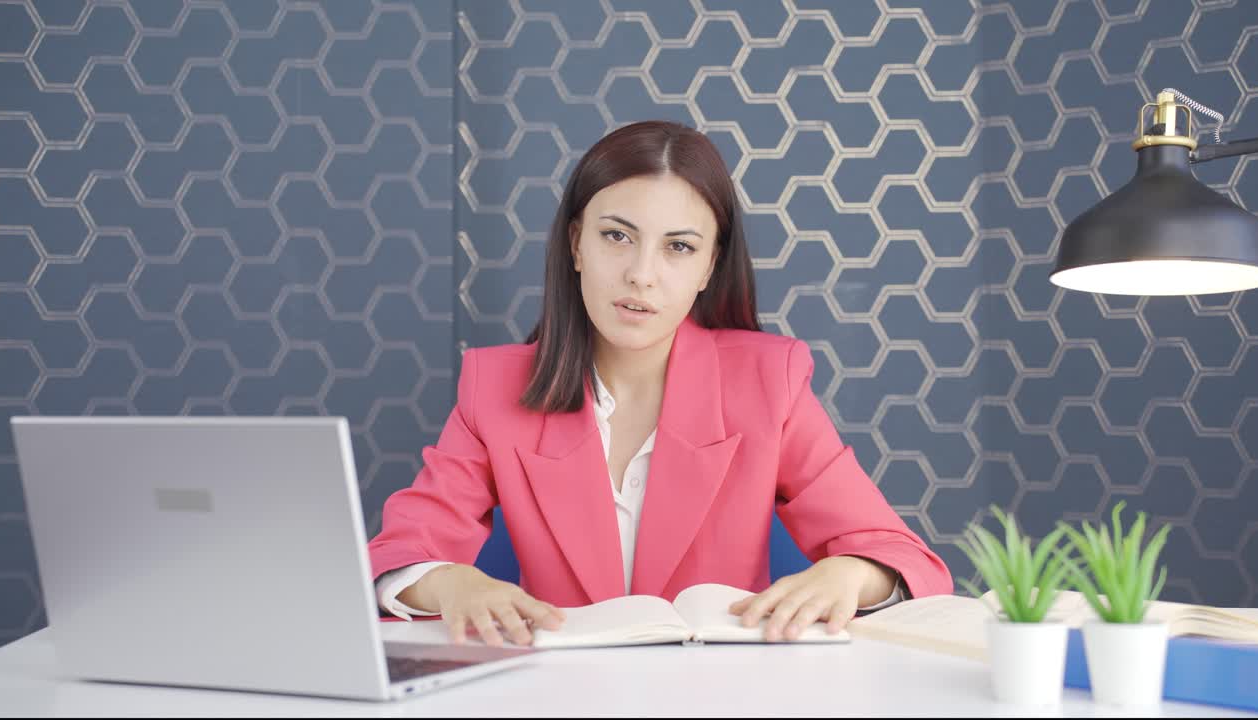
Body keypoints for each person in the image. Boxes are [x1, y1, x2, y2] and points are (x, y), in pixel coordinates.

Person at [367, 120, 953, 647]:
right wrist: (454, 584)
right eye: (616, 236)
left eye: (679, 247)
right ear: (576, 244)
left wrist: (846, 573)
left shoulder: (770, 382)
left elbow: (902, 556)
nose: (641, 275)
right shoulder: (494, 387)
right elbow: (395, 555)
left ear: (708, 267)